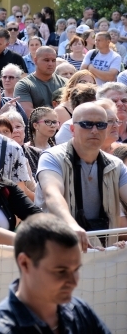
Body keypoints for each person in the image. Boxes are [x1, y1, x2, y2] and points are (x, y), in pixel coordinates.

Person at [0, 213, 111, 334]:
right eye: (61, 271)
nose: (74, 282)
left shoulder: (80, 311)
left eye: (76, 270)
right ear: (25, 264)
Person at [35, 102, 127, 250]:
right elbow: (52, 194)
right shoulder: (51, 157)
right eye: (87, 124)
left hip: (104, 258)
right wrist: (71, 224)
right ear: (72, 129)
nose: (95, 130)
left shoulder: (116, 165)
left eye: (101, 125)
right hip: (57, 252)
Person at [14, 46, 66, 117]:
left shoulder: (66, 83)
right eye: (46, 60)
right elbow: (28, 113)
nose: (50, 64)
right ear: (35, 61)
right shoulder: (24, 85)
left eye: (53, 60)